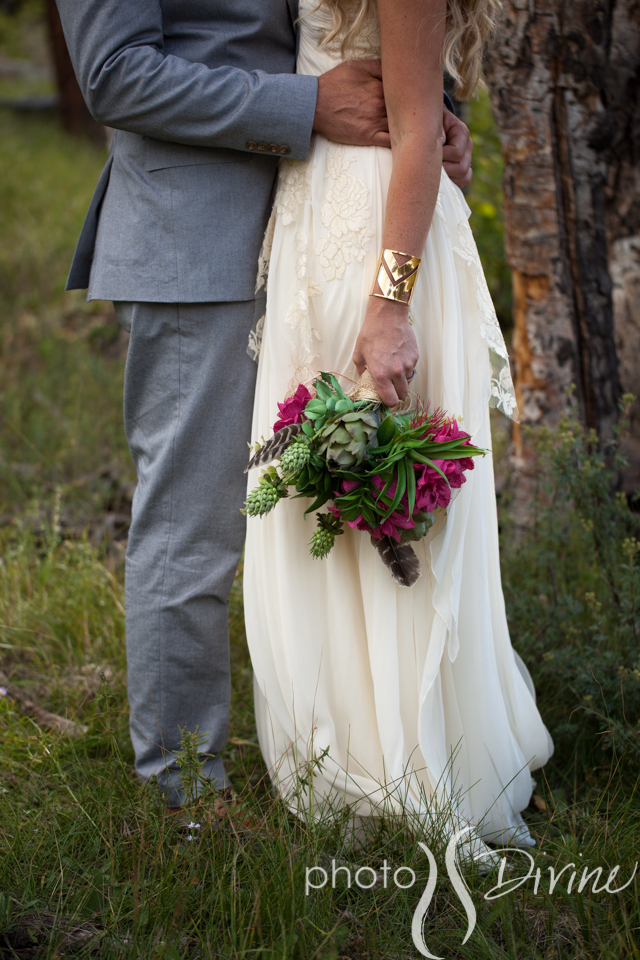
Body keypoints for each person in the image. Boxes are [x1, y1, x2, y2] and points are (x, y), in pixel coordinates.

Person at [54, 0, 473, 810]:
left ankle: (364, 753)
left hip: (322, 234)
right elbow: (114, 75)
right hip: (196, 241)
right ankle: (184, 791)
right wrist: (307, 106)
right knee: (191, 529)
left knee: (341, 507)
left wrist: (432, 117)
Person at [244, 0, 554, 851]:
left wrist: (388, 307)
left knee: (381, 492)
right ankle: (352, 750)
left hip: (377, 240)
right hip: (320, 217)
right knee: (324, 500)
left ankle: (408, 766)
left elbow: (418, 130)